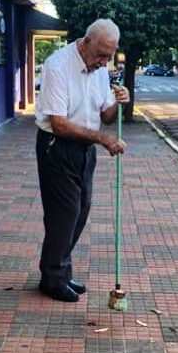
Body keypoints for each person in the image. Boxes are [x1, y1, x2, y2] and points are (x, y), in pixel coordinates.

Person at [34, 18, 130, 302]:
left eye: (109, 56)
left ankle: (59, 272)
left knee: (80, 212)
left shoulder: (100, 69)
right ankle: (53, 278)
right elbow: (59, 124)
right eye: (101, 54)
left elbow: (105, 116)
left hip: (85, 150)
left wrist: (119, 102)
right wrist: (103, 140)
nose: (104, 61)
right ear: (85, 42)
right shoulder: (57, 66)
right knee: (64, 216)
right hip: (57, 147)